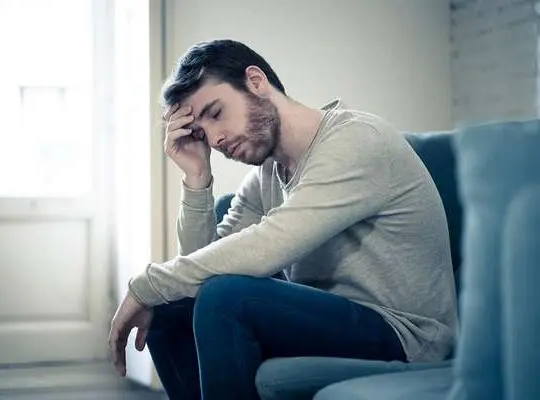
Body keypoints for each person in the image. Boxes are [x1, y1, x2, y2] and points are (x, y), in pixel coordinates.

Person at [108, 39, 458, 400]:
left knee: (225, 298)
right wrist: (197, 178)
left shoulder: (355, 141)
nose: (216, 139)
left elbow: (266, 249)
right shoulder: (267, 176)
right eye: (202, 133)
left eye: (215, 113)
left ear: (256, 82)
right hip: (330, 323)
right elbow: (202, 274)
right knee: (172, 307)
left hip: (405, 335)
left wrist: (148, 283)